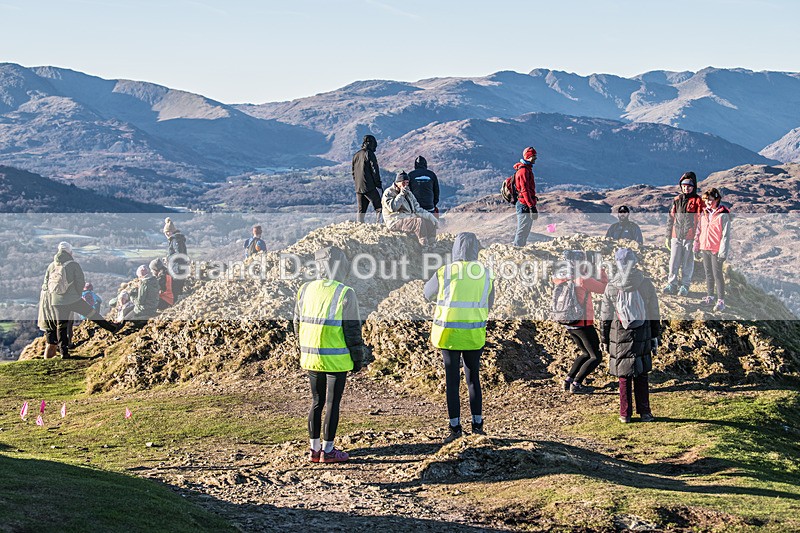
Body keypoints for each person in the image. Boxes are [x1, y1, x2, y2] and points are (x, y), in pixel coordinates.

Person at [294, 246, 366, 463]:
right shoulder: (345, 292)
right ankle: (329, 450)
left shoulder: (305, 289)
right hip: (336, 358)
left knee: (316, 401)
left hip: (311, 356)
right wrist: (357, 359)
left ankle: (314, 451)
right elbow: (352, 331)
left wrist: (303, 347)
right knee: (332, 403)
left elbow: (296, 323)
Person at [424, 232, 495, 442]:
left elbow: (427, 294)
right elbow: (489, 303)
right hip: (474, 334)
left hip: (448, 335)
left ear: (455, 249)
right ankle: (478, 426)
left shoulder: (445, 272)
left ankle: (455, 428)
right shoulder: (485, 273)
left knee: (452, 382)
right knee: (474, 380)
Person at [601, 248, 661, 423]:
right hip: (643, 331)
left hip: (619, 334)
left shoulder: (611, 286)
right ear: (634, 262)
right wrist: (655, 335)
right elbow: (654, 312)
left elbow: (605, 317)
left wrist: (605, 339)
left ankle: (625, 414)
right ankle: (645, 413)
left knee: (624, 375)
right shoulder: (645, 284)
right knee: (641, 373)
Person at [40, 242, 120, 359]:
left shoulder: (52, 265)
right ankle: (112, 328)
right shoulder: (73, 265)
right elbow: (80, 282)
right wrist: (77, 294)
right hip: (73, 299)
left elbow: (46, 283)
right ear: (69, 252)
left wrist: (55, 297)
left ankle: (64, 353)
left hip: (56, 301)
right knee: (92, 314)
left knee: (61, 327)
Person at [552, 251, 609, 394]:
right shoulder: (582, 279)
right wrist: (599, 269)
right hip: (583, 323)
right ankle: (577, 384)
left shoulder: (560, 277)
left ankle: (568, 380)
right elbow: (604, 288)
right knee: (596, 356)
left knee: (585, 353)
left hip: (569, 322)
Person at [664, 172, 704, 296]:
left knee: (687, 263)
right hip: (676, 236)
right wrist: (668, 236)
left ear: (694, 186)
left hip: (690, 237)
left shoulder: (698, 201)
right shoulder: (676, 200)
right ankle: (672, 284)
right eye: (684, 185)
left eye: (689, 186)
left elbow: (701, 221)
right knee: (673, 261)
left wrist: (698, 239)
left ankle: (685, 286)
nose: (686, 188)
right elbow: (670, 219)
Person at [695, 188, 731, 312]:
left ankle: (721, 301)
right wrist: (697, 245)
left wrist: (722, 253)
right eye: (706, 200)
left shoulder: (723, 215)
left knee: (717, 274)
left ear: (717, 199)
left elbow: (725, 236)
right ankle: (710, 296)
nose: (708, 202)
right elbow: (699, 231)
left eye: (710, 200)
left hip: (716, 250)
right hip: (705, 247)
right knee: (708, 273)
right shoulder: (703, 214)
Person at [382, 171, 439, 246]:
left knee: (430, 222)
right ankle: (424, 245)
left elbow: (417, 208)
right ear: (397, 182)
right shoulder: (389, 193)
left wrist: (429, 216)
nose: (405, 185)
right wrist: (401, 195)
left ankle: (432, 243)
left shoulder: (409, 193)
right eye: (403, 183)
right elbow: (393, 208)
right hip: (394, 220)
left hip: (408, 219)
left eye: (407, 183)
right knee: (419, 222)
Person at [352, 134, 383, 223]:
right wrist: (378, 184)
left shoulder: (356, 155)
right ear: (371, 144)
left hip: (358, 187)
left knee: (361, 210)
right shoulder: (369, 154)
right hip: (369, 187)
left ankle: (359, 227)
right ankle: (379, 225)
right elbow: (375, 170)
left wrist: (358, 183)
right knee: (379, 207)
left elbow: (353, 172)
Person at [513, 146, 538, 247]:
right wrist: (532, 206)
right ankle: (517, 250)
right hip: (524, 204)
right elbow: (524, 190)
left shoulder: (526, 169)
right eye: (533, 156)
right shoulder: (523, 171)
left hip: (525, 203)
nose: (535, 158)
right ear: (528, 157)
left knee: (525, 229)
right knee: (522, 229)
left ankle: (520, 248)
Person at [164, 218, 188, 297]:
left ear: (172, 231)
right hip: (179, 267)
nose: (167, 234)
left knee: (176, 289)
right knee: (177, 289)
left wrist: (169, 258)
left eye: (168, 232)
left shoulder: (175, 240)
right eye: (166, 232)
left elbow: (179, 254)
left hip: (178, 269)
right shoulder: (176, 239)